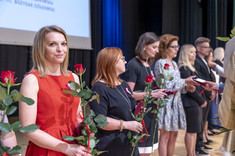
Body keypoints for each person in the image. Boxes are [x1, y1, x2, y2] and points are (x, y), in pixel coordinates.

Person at [19, 25, 90, 156]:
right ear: (41, 49)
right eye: (52, 44)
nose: (60, 49)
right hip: (48, 149)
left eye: (63, 44)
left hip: (75, 147)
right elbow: (27, 129)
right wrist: (65, 148)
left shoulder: (73, 77)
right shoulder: (32, 79)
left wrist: (86, 138)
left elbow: (78, 115)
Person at [89, 47, 143, 156]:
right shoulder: (99, 88)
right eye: (122, 59)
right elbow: (101, 121)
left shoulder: (123, 84)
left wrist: (137, 111)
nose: (125, 61)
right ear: (111, 62)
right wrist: (126, 125)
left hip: (127, 142)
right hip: (110, 146)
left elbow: (126, 109)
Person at [124, 32, 166, 156]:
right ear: (143, 46)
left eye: (157, 47)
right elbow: (129, 94)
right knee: (139, 150)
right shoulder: (133, 65)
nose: (157, 51)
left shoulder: (149, 64)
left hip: (150, 113)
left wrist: (158, 92)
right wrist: (151, 94)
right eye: (154, 47)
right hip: (139, 113)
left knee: (147, 150)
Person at [154, 34, 197, 156]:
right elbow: (166, 85)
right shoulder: (161, 63)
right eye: (173, 47)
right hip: (166, 102)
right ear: (165, 48)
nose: (176, 49)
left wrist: (186, 87)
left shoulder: (173, 63)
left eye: (177, 47)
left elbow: (176, 85)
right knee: (165, 134)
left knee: (174, 134)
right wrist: (185, 81)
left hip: (176, 102)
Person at [178, 44, 207, 156]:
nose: (194, 54)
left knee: (194, 130)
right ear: (185, 54)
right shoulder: (184, 68)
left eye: (195, 52)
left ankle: (193, 153)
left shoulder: (191, 67)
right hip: (190, 103)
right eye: (191, 52)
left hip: (195, 102)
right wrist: (201, 100)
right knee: (191, 130)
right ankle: (190, 154)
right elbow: (191, 89)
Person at [194, 37, 215, 155]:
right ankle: (197, 147)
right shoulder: (197, 61)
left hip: (207, 94)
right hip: (203, 94)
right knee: (199, 123)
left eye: (208, 47)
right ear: (198, 48)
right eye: (205, 47)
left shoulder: (204, 61)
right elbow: (201, 80)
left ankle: (201, 143)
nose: (208, 49)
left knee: (203, 121)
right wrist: (209, 92)